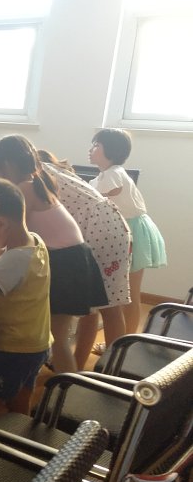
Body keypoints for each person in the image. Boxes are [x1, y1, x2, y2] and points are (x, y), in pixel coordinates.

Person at [0, 135, 107, 374]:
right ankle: (65, 381)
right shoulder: (37, 182)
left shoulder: (23, 190)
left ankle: (67, 386)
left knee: (58, 337)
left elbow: (9, 239)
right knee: (58, 336)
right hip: (73, 258)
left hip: (65, 263)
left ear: (6, 165)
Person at [38, 149, 131, 367]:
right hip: (104, 228)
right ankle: (79, 364)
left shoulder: (39, 171)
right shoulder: (56, 173)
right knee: (90, 305)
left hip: (102, 231)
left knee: (109, 306)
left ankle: (114, 367)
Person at [0, 179, 52, 420]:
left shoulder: (13, 261)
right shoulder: (34, 242)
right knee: (20, 399)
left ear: (1, 223)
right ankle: (20, 435)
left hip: (12, 349)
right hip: (36, 343)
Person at [89, 129, 166, 334]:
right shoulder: (103, 176)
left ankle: (128, 339)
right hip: (125, 230)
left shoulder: (113, 174)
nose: (91, 149)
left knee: (129, 293)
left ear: (111, 151)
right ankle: (125, 337)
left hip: (132, 232)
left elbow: (97, 198)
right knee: (126, 292)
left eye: (96, 145)